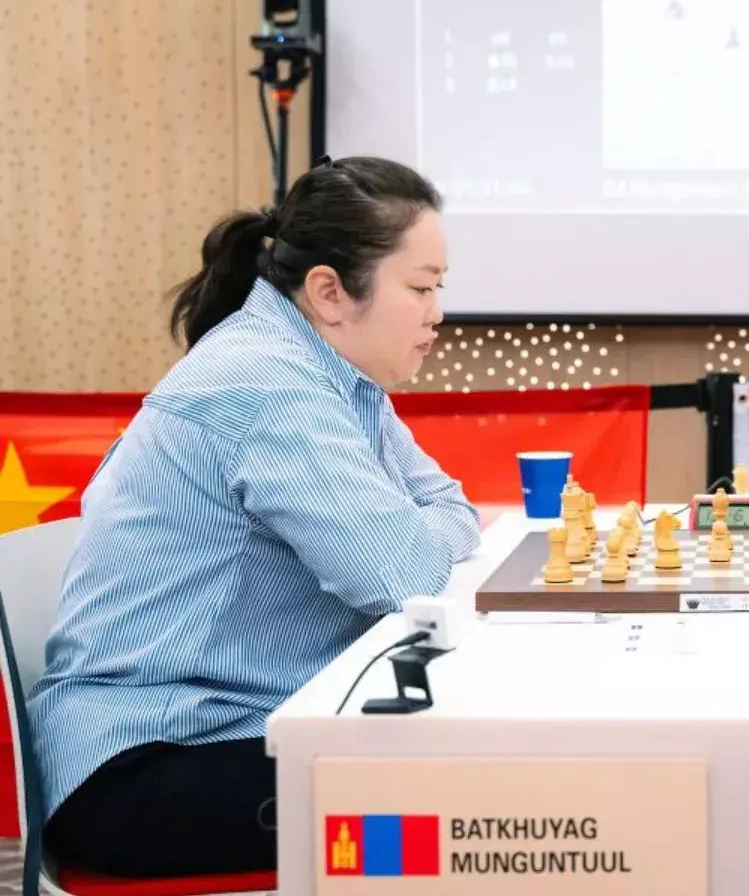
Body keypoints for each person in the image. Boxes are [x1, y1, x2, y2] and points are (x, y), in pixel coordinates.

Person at [27, 156, 481, 877]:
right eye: (421, 287)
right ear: (329, 291)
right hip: (145, 768)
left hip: (228, 729)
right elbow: (402, 577)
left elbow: (452, 509)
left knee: (470, 775)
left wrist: (419, 530)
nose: (437, 313)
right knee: (468, 805)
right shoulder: (267, 384)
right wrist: (417, 531)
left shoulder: (331, 374)